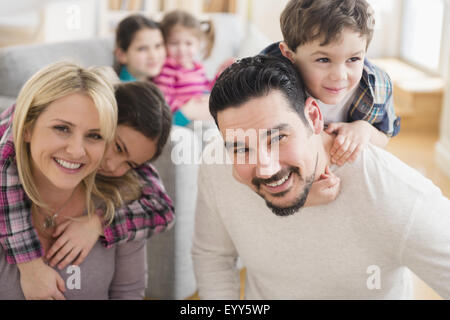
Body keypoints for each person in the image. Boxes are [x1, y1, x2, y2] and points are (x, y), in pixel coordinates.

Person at [192, 55, 450, 299]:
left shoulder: (394, 192)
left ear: (314, 117)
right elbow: (213, 256)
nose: (266, 169)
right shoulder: (219, 163)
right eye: (242, 148)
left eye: (278, 138)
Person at [0, 71, 174, 299]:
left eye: (94, 136)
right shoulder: (10, 146)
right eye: (63, 129)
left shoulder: (122, 192)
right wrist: (30, 265)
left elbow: (163, 209)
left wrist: (99, 223)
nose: (113, 166)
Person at [261, 0, 401, 167]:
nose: (340, 76)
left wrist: (364, 129)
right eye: (323, 60)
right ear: (290, 55)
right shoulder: (269, 84)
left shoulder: (378, 86)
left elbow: (385, 136)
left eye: (354, 59)